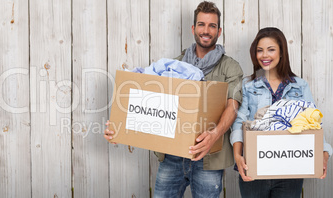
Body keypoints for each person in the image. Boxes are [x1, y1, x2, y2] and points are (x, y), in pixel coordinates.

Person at [105, 1, 243, 197]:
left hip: (209, 157)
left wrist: (214, 134)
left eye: (212, 26)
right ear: (193, 29)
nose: (206, 30)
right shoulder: (173, 65)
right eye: (201, 25)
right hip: (172, 156)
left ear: (219, 31)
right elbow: (148, 103)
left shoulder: (231, 67)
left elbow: (233, 105)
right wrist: (119, 125)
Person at [230, 27, 332, 197]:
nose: (264, 55)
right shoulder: (247, 85)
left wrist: (324, 153)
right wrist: (237, 156)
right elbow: (239, 122)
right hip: (253, 166)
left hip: (290, 169)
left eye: (271, 50)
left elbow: (314, 122)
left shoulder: (300, 85)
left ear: (282, 52)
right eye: (260, 50)